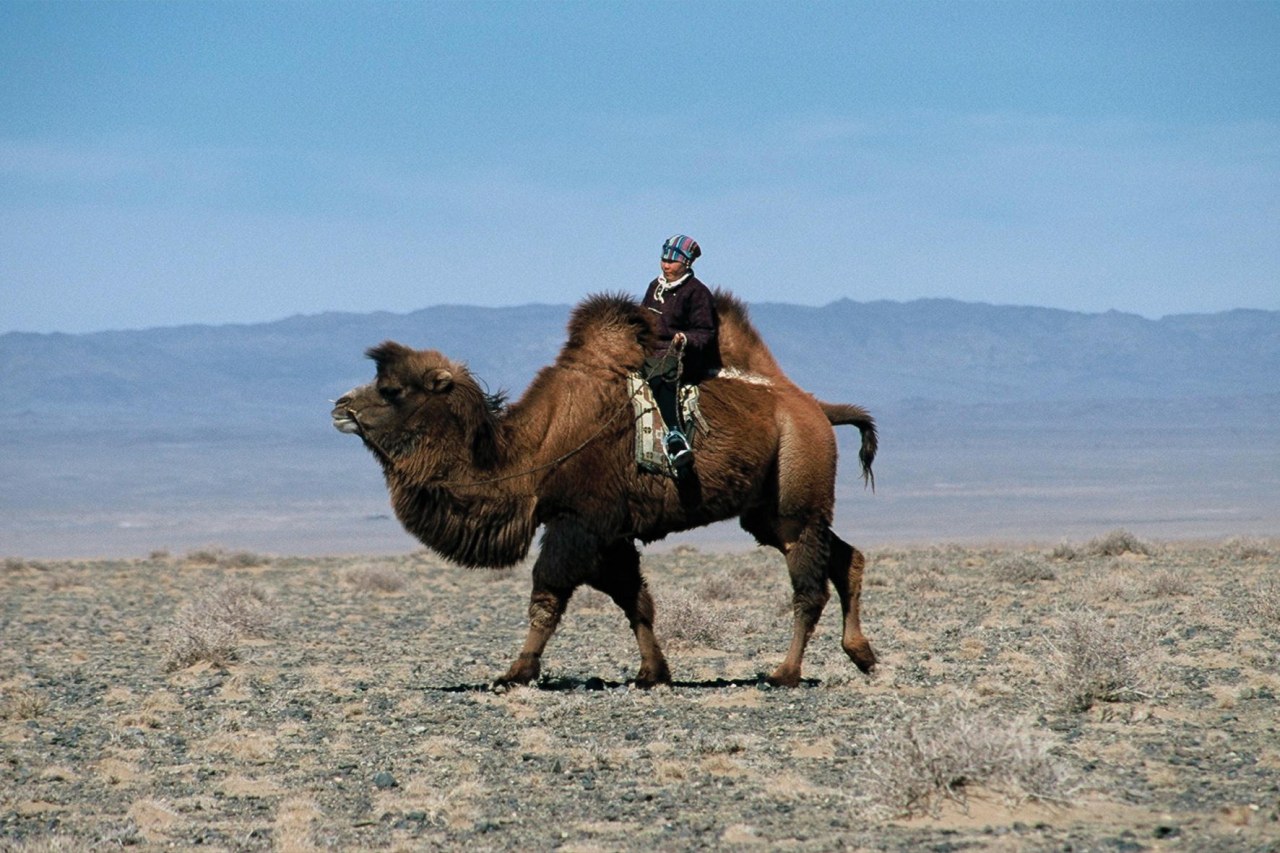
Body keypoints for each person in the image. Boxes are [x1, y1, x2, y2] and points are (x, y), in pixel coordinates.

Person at [641, 234, 721, 472]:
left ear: (686, 263)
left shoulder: (697, 293)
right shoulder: (655, 286)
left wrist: (684, 338)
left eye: (672, 261)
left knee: (659, 374)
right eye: (663, 259)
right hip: (651, 349)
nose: (666, 265)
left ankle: (675, 436)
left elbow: (706, 332)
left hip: (682, 356)